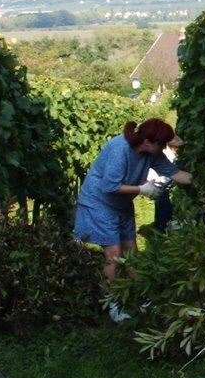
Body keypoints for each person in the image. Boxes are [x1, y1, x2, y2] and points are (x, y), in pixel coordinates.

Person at [74, 118, 193, 320]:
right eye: (161, 144)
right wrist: (142, 189)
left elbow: (175, 173)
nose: (164, 148)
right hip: (99, 204)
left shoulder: (150, 153)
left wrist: (198, 179)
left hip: (121, 205)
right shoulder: (119, 149)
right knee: (114, 255)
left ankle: (140, 297)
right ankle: (114, 304)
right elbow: (109, 186)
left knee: (132, 254)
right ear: (147, 141)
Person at [148, 133, 190, 231]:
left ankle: (160, 225)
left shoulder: (169, 152)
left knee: (162, 205)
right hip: (157, 183)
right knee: (164, 206)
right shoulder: (168, 156)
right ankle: (163, 227)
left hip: (160, 184)